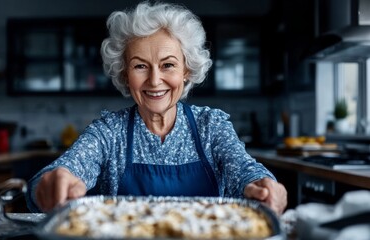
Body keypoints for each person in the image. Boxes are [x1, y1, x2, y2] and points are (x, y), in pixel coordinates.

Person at [25, 1, 287, 215]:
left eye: (168, 65)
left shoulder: (211, 126)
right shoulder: (109, 132)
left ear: (186, 70)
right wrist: (49, 185)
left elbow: (245, 170)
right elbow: (61, 172)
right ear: (125, 74)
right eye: (140, 66)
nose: (154, 80)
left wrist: (264, 186)